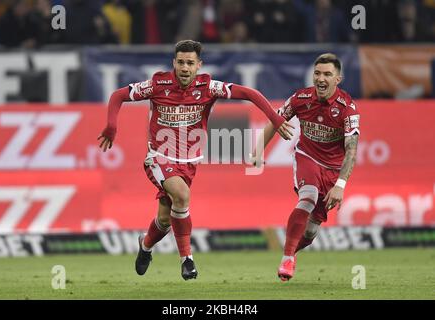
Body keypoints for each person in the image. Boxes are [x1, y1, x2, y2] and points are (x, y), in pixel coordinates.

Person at [98, 40, 294, 280]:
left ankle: (146, 245)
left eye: (190, 63)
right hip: (158, 157)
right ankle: (187, 260)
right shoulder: (157, 84)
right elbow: (119, 95)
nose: (184, 67)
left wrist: (275, 119)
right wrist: (111, 125)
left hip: (189, 162)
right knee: (181, 195)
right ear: (174, 63)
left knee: (164, 219)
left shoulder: (209, 87)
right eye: (180, 62)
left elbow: (250, 93)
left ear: (198, 65)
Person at [252, 53, 360, 281]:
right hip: (307, 157)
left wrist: (340, 185)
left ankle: (293, 252)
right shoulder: (301, 98)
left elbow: (351, 150)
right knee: (308, 197)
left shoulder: (347, 108)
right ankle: (287, 258)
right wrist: (258, 150)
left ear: (338, 79)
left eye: (327, 74)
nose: (321, 79)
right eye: (318, 73)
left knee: (311, 232)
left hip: (333, 170)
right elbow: (276, 119)